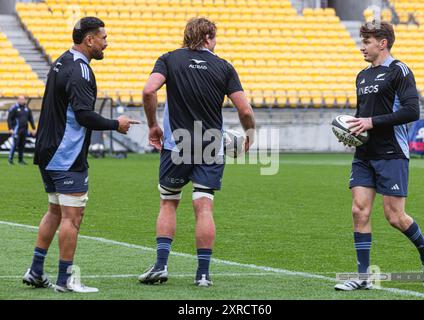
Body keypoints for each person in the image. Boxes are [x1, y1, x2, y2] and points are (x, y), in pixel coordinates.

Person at [22, 17, 139, 293]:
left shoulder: (61, 60)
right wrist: (116, 124)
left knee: (54, 210)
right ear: (89, 40)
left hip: (47, 150)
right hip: (66, 154)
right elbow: (84, 115)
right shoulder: (82, 71)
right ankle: (65, 280)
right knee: (72, 218)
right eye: (103, 38)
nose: (106, 43)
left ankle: (36, 271)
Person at [138, 17, 255, 287]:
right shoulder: (224, 66)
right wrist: (250, 135)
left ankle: (161, 266)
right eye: (215, 37)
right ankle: (202, 275)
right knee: (204, 206)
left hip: (175, 146)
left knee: (169, 202)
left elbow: (148, 91)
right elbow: (245, 110)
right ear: (207, 38)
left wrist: (153, 125)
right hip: (211, 147)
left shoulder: (168, 59)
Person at [334, 21, 424, 291]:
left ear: (383, 43)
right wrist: (352, 131)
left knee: (395, 217)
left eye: (367, 42)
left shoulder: (399, 71)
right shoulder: (362, 76)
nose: (362, 47)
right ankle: (363, 276)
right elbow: (361, 117)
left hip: (392, 152)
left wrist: (371, 122)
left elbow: (412, 111)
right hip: (364, 154)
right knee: (359, 210)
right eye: (362, 41)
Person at [7, 95, 35, 165]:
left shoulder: (27, 109)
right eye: (21, 99)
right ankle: (10, 160)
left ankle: (20, 160)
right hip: (16, 130)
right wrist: (10, 128)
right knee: (15, 144)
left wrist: (33, 128)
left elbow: (30, 119)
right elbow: (9, 119)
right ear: (18, 100)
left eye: (23, 99)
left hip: (24, 130)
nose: (22, 101)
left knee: (22, 145)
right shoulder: (14, 108)